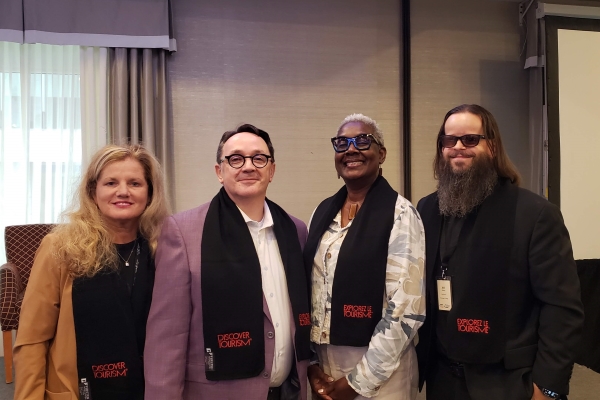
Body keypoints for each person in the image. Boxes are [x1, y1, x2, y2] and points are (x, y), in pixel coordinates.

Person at [416, 104, 584, 400]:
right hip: (442, 380)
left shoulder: (534, 214)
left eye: (470, 139)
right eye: (449, 140)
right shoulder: (427, 209)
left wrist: (548, 387)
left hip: (508, 382)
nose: (457, 147)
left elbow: (562, 308)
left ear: (492, 146)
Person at [144, 124, 312, 400]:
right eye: (236, 159)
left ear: (271, 170)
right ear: (219, 171)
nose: (248, 166)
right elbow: (166, 338)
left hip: (288, 391)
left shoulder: (295, 230)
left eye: (259, 158)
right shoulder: (182, 232)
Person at [14, 144, 170, 400]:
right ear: (92, 191)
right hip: (78, 391)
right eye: (110, 183)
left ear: (150, 193)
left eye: (135, 183)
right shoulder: (60, 248)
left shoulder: (164, 248)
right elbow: (32, 339)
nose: (123, 192)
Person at [306, 114, 426, 400]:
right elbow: (311, 295)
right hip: (325, 366)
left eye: (362, 140)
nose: (350, 149)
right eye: (342, 143)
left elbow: (406, 310)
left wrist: (359, 381)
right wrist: (311, 364)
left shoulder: (401, 214)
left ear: (381, 154)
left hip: (381, 372)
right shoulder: (322, 213)